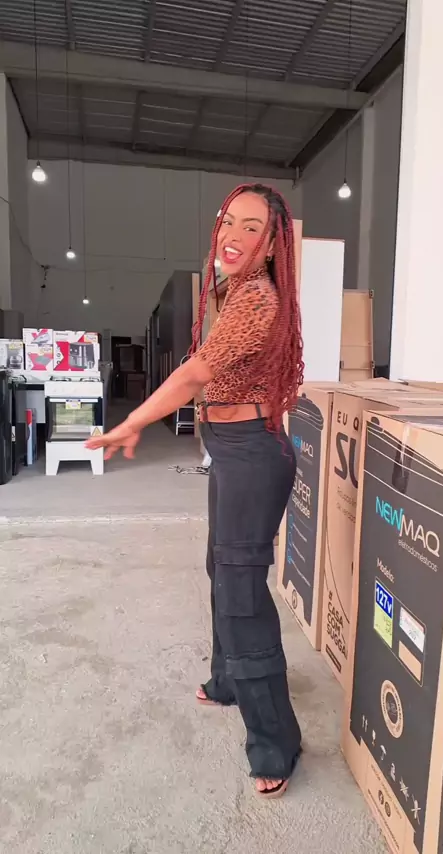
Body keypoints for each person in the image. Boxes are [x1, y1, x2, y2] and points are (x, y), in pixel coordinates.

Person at [86, 183, 304, 799]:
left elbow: (194, 375)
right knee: (223, 572)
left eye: (252, 228)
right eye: (228, 221)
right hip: (233, 449)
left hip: (252, 454)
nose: (234, 236)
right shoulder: (231, 291)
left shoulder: (256, 297)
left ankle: (276, 742)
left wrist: (131, 421)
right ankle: (229, 679)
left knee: (241, 593)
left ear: (271, 245)